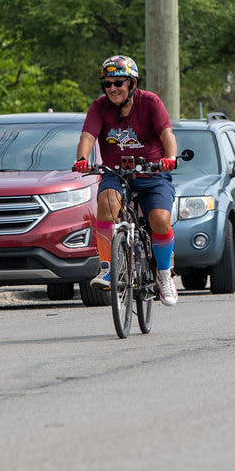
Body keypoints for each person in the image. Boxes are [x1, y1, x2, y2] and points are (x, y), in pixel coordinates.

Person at [74, 55, 180, 305]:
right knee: (107, 204)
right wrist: (82, 158)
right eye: (108, 84)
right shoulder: (99, 107)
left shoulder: (150, 102)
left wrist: (170, 157)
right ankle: (108, 267)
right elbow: (88, 136)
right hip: (116, 173)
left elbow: (167, 133)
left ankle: (164, 274)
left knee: (160, 220)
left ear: (132, 84)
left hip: (152, 173)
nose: (113, 88)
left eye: (119, 83)